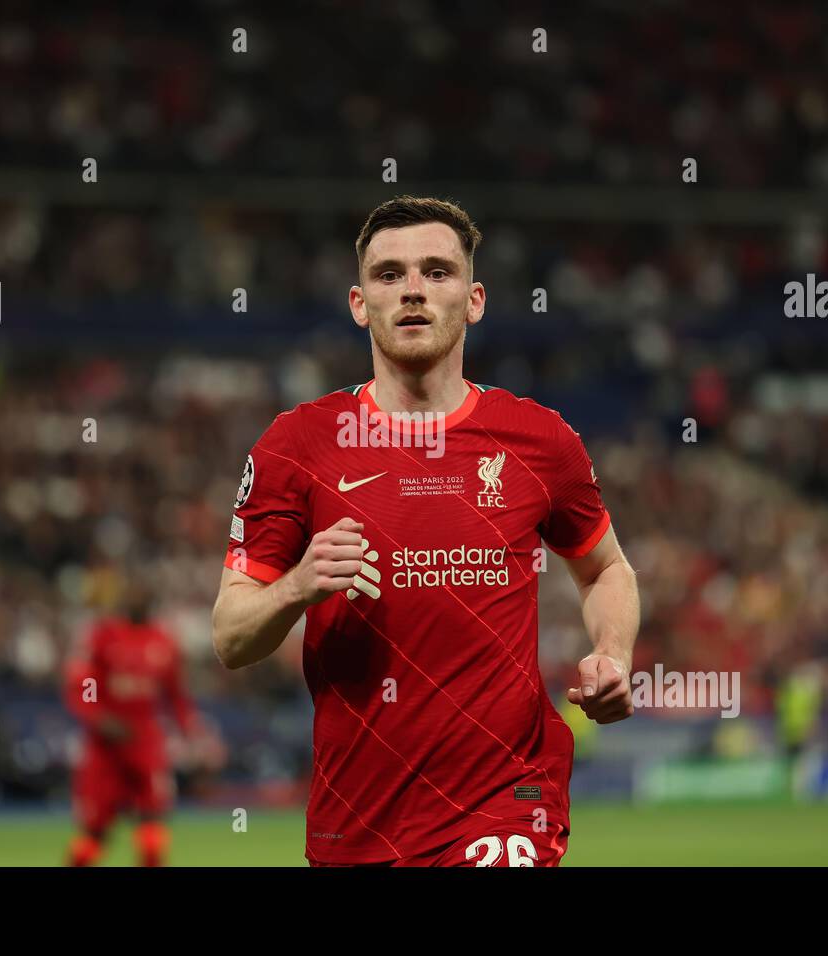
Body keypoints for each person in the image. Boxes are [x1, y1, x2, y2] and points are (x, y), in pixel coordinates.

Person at [212, 195, 641, 867]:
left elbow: (606, 569)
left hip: (506, 798)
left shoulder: (539, 440)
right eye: (389, 275)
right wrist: (296, 586)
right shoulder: (296, 446)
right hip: (357, 817)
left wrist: (613, 654)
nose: (413, 289)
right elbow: (231, 637)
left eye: (436, 272)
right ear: (360, 304)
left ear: (474, 300)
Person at [64, 580, 220, 867]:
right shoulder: (102, 637)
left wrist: (194, 736)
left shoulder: (163, 641)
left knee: (152, 818)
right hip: (106, 747)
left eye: (144, 595)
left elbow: (175, 697)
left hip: (145, 742)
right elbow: (81, 685)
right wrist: (99, 718)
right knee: (96, 829)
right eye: (134, 594)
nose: (139, 600)